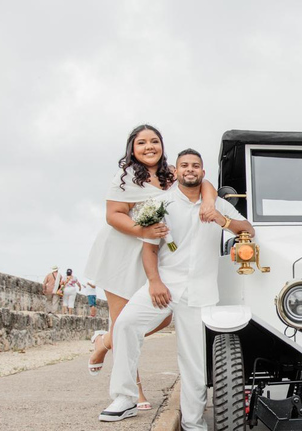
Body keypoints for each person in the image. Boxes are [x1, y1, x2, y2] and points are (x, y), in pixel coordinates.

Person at [99, 148, 254, 431]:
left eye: (195, 165)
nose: (190, 169)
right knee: (126, 324)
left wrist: (222, 221)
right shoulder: (160, 203)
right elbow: (149, 250)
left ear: (202, 172)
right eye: (184, 165)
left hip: (200, 293)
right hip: (164, 286)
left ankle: (195, 427)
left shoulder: (218, 204)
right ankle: (125, 396)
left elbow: (247, 230)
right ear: (177, 170)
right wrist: (154, 282)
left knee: (194, 362)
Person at [85, 125, 218, 409]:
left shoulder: (172, 173)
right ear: (132, 148)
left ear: (161, 145)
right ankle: (133, 392)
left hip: (155, 253)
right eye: (141, 142)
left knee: (162, 317)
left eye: (154, 141)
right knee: (123, 321)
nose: (149, 147)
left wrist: (208, 203)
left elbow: (204, 184)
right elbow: (113, 215)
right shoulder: (125, 178)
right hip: (121, 251)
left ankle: (103, 343)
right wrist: (143, 231)